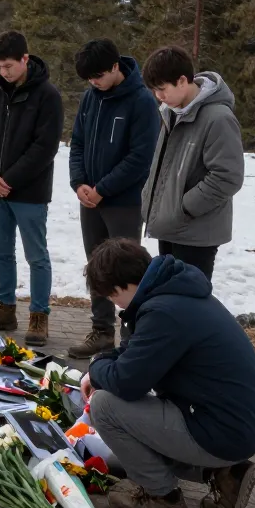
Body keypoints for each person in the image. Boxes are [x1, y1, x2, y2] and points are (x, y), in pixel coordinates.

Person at [81, 238, 255, 508]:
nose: (113, 303)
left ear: (123, 285)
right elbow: (135, 352)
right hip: (236, 423)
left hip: (223, 431)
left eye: (111, 296)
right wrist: (101, 366)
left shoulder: (164, 312)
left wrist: (97, 367)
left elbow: (127, 383)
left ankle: (162, 497)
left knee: (105, 406)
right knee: (120, 457)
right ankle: (223, 474)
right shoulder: (174, 293)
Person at [67, 39, 161, 358]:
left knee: (124, 269)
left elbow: (140, 157)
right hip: (89, 200)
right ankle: (101, 330)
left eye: (98, 76)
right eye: (88, 78)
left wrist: (103, 188)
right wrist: (79, 182)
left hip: (123, 201)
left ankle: (132, 336)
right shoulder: (90, 98)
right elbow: (77, 143)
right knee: (96, 265)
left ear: (115, 67)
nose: (94, 82)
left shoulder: (142, 102)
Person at [0, 30, 63, 346]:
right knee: (1, 253)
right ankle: (5, 307)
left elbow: (45, 147)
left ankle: (39, 316)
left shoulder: (47, 95)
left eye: (8, 66)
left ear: (25, 59)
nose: (3, 73)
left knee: (36, 256)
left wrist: (10, 179)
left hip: (29, 193)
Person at [140, 45, 244, 280]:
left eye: (162, 89)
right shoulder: (171, 111)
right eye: (154, 90)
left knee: (189, 307)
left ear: (182, 81)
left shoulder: (218, 118)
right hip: (169, 227)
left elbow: (228, 177)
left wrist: (183, 207)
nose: (159, 96)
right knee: (168, 300)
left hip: (195, 234)